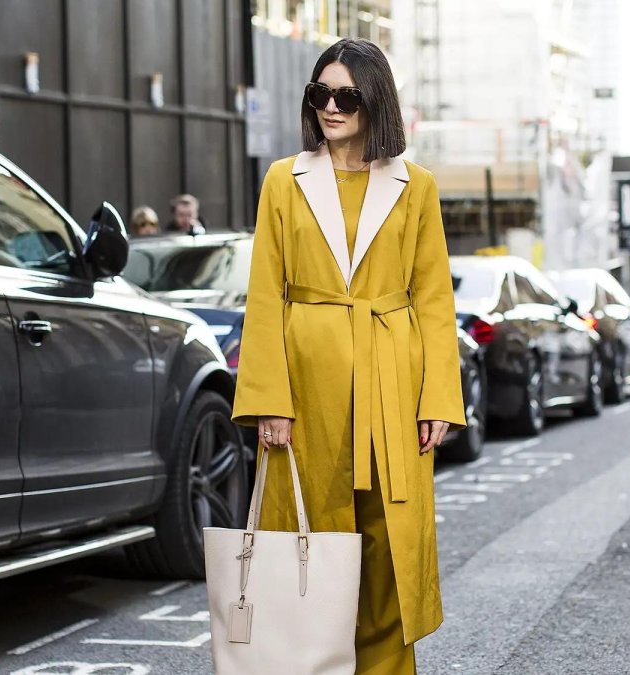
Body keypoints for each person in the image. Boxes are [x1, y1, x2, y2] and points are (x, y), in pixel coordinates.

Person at [231, 38, 465, 675]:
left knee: (389, 554)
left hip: (392, 386)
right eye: (320, 94)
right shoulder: (284, 180)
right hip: (309, 393)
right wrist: (269, 402)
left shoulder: (416, 187)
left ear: (375, 100)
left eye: (346, 96)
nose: (330, 107)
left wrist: (438, 400)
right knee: (312, 553)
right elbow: (265, 296)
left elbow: (433, 299)